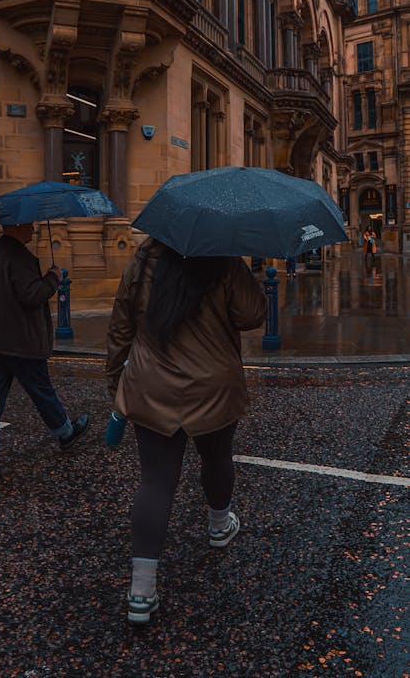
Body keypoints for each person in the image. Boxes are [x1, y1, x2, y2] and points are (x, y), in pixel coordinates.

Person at [106, 238, 267, 624]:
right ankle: (219, 526)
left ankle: (141, 592)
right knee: (216, 458)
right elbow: (253, 314)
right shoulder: (224, 257)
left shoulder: (144, 257)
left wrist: (116, 383)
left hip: (152, 384)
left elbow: (121, 323)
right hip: (212, 383)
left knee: (156, 481)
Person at [0, 222, 90, 492]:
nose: (33, 229)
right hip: (21, 343)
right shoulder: (20, 258)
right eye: (29, 225)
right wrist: (53, 277)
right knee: (41, 390)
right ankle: (66, 433)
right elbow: (33, 295)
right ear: (17, 227)